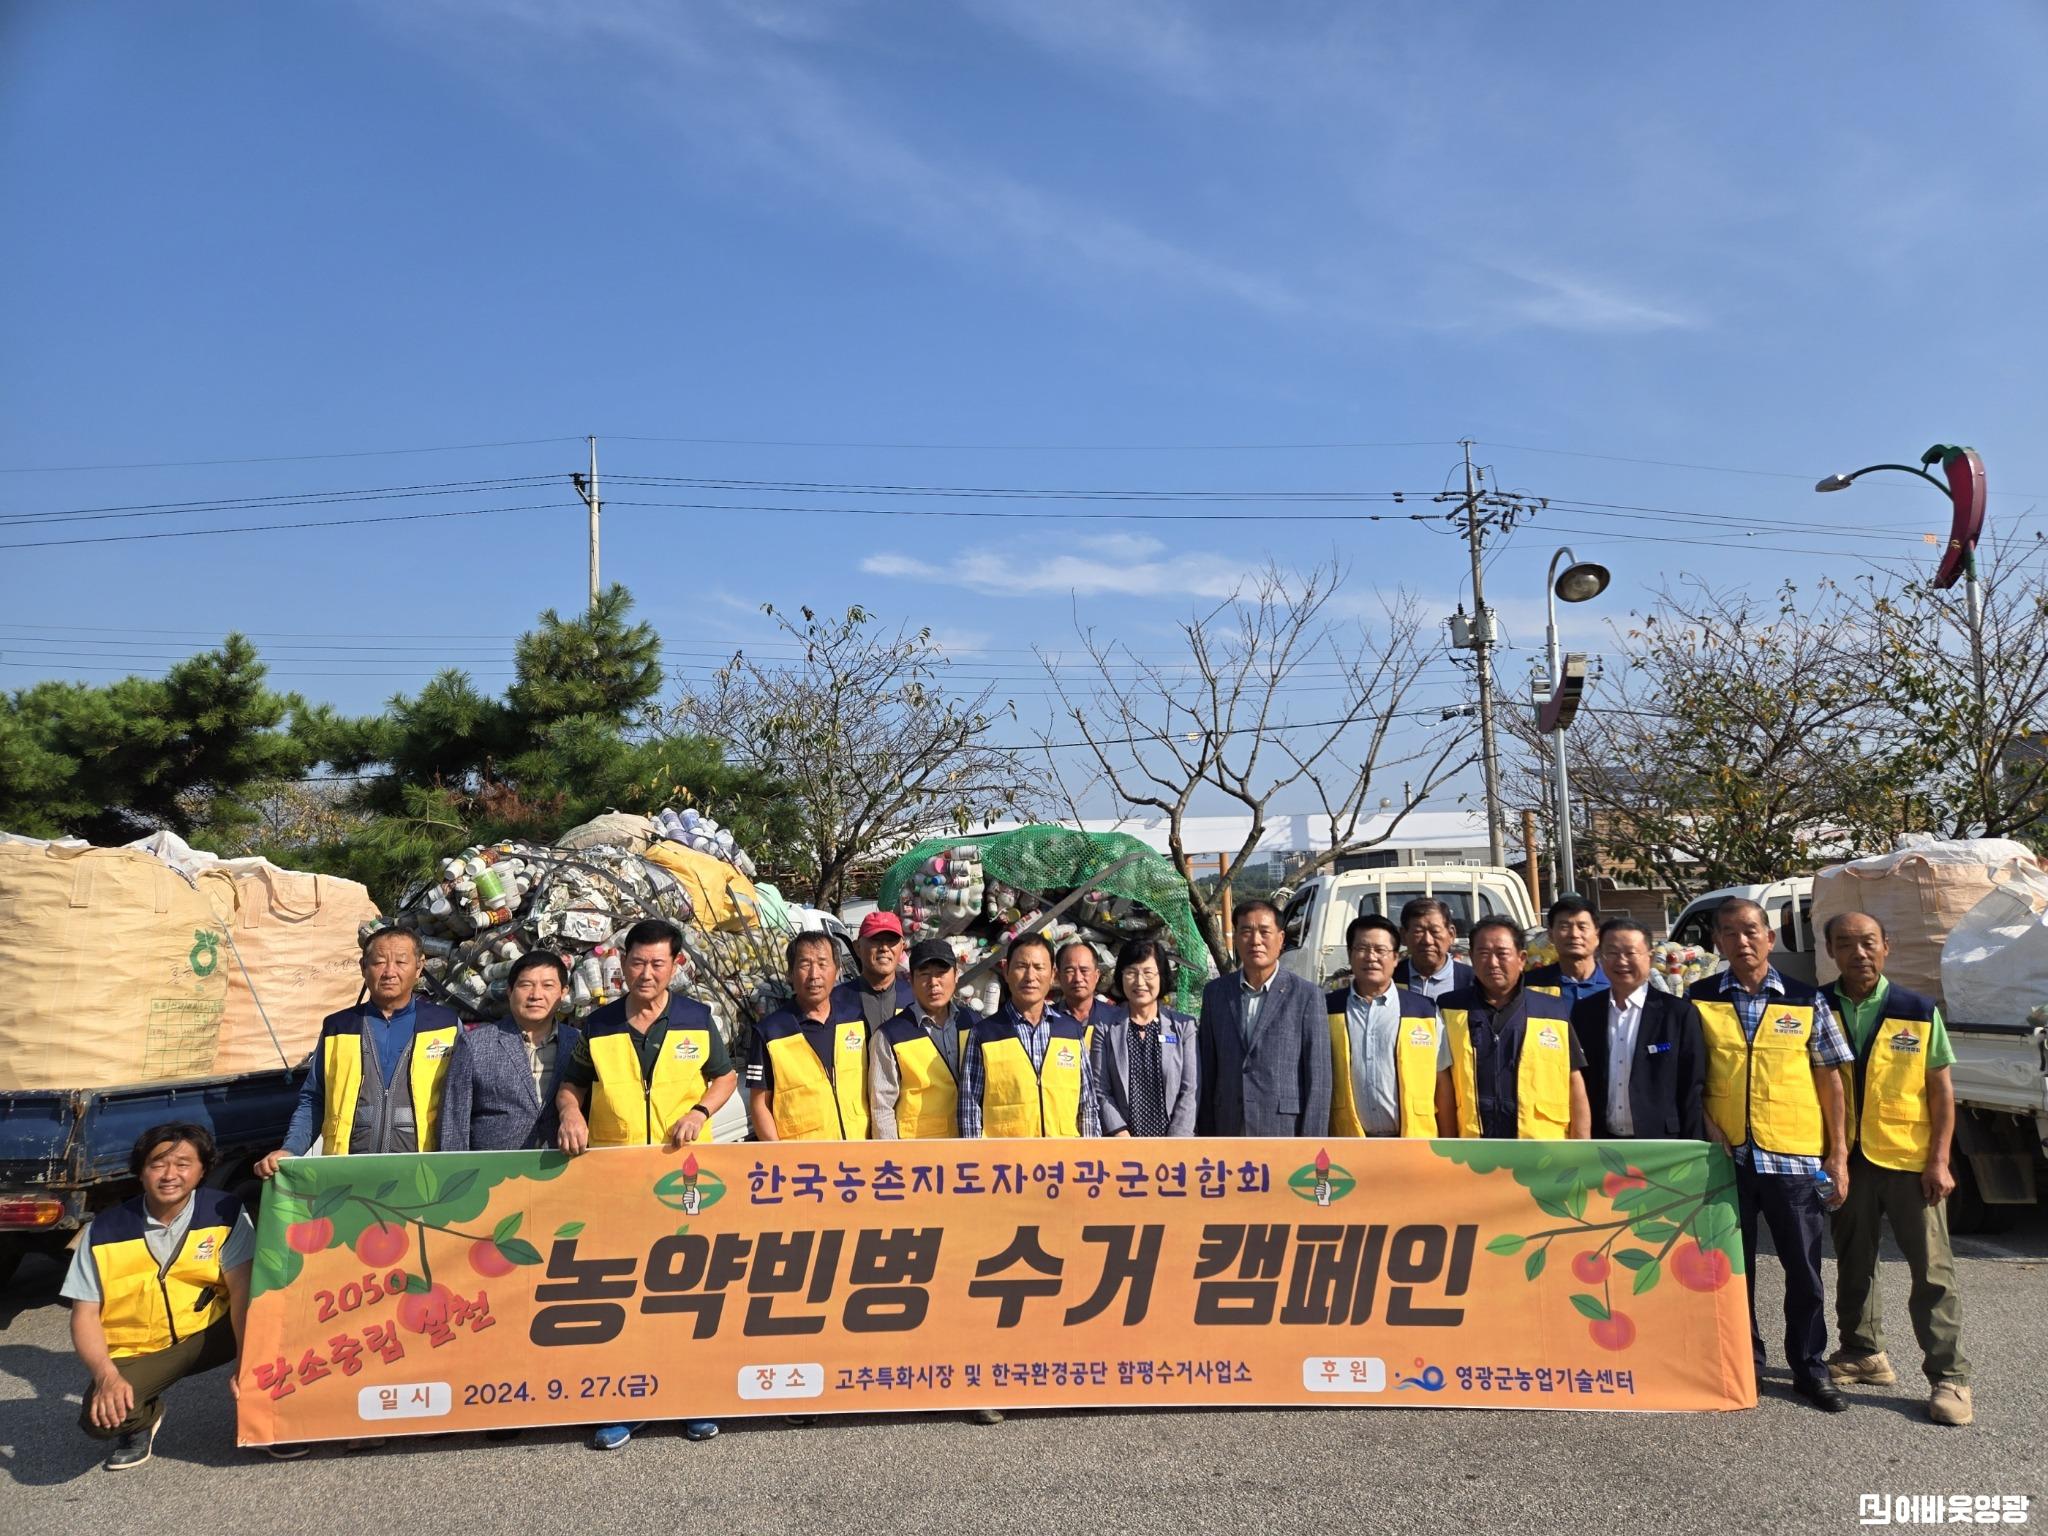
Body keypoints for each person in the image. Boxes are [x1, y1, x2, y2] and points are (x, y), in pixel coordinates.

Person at [556, 921, 732, 1450]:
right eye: (637, 962)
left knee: (688, 1285)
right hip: (618, 1177)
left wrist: (700, 1112)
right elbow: (572, 1085)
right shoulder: (598, 1024)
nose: (646, 973)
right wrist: (571, 1113)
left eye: (657, 963)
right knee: (625, 1289)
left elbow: (724, 1077)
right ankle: (626, 1401)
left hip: (686, 1177)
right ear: (622, 963)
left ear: (676, 965)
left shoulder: (697, 1018)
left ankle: (693, 1395)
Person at [1690, 896, 1853, 1413]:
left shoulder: (1806, 1000)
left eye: (1750, 931)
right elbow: (1690, 1077)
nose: (1741, 941)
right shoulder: (1699, 999)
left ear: (1769, 938)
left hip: (1793, 1159)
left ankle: (1809, 1368)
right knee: (1733, 1272)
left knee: (1804, 1271)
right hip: (1726, 1161)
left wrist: (1838, 1156)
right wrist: (1707, 1124)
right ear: (1717, 942)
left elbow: (1831, 1081)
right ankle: (1746, 1364)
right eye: (1729, 932)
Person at [1821, 912, 1972, 1426]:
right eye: (1845, 944)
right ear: (1831, 951)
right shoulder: (1816, 1006)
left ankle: (1949, 1377)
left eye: (1868, 942)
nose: (1858, 953)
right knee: (1853, 1259)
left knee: (1932, 1272)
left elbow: (1941, 1091)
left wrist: (1939, 1160)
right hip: (1847, 1160)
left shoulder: (1917, 1009)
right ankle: (1862, 1352)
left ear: (1887, 945)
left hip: (1910, 1161)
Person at [62, 1124, 274, 1470]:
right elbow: (84, 1314)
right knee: (101, 1420)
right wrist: (106, 1376)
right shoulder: (103, 1230)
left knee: (278, 1325)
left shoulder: (224, 1211)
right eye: (157, 1164)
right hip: (141, 1348)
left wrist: (249, 1365)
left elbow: (243, 1293)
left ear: (203, 1170)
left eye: (183, 1164)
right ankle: (143, 1421)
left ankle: (273, 1425)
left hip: (212, 1332)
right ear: (140, 1172)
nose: (170, 1175)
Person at [258, 928, 461, 1176]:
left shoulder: (446, 1025)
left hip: (423, 1174)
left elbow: (464, 1101)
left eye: (400, 962)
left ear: (419, 967)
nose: (389, 972)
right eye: (378, 962)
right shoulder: (338, 1027)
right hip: (347, 1174)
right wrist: (290, 1149)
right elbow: (314, 1098)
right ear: (363, 967)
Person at [1438, 916, 1591, 1140]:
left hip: (1541, 1149)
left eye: (1502, 953)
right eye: (1483, 953)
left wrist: (1582, 1148)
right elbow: (1441, 1084)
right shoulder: (1449, 1008)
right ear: (1471, 957)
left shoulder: (1551, 1009)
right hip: (1472, 1147)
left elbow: (1574, 1082)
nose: (1492, 962)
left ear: (1521, 959)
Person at [1195, 900, 1332, 1137]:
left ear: (1281, 939)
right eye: (1246, 931)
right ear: (1236, 939)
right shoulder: (1216, 993)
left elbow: (1318, 1077)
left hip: (1284, 1130)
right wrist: (1207, 1136)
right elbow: (1208, 1068)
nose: (1255, 940)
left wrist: (1312, 1142)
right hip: (1228, 1127)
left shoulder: (1306, 995)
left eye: (1264, 932)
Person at [1569, 917, 1707, 1140]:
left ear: (1650, 958)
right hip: (1600, 1141)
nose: (1621, 961)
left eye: (1630, 953)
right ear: (1600, 958)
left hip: (1660, 1143)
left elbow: (1692, 1088)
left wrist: (1694, 1146)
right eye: (1612, 953)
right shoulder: (1584, 1012)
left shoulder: (1678, 1014)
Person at [1326, 915, 1458, 1138]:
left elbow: (1442, 1082)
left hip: (1413, 1142)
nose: (1371, 957)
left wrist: (1448, 1144)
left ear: (1396, 958)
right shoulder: (1328, 1009)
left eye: (1380, 950)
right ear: (1349, 955)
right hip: (1348, 1142)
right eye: (1362, 949)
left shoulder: (1423, 1011)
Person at [439, 951, 584, 1151]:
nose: (536, 995)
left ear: (563, 992)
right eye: (526, 985)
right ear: (509, 991)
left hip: (565, 1162)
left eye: (548, 986)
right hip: (496, 1166)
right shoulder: (475, 1044)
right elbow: (454, 1119)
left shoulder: (579, 1043)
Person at [960, 932, 1100, 1138]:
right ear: (1006, 972)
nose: (1030, 976)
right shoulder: (985, 1033)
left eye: (1039, 967)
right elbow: (969, 1107)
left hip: (1063, 1155)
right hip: (1006, 1156)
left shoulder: (1070, 1031)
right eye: (1021, 966)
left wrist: (1091, 1152)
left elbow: (1087, 1105)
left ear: (1052, 975)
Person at [750, 931, 871, 1141]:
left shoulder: (855, 1019)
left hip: (859, 1150)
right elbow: (759, 1104)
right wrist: (778, 1155)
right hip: (803, 1157)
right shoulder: (770, 1031)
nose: (814, 975)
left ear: (837, 971)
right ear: (790, 973)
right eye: (805, 964)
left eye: (823, 964)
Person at [869, 938, 983, 1140]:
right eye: (924, 974)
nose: (934, 983)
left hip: (971, 1146)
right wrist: (893, 1155)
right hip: (920, 1150)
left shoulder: (973, 1023)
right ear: (911, 981)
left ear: (956, 975)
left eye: (941, 973)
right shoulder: (891, 1035)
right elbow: (882, 1108)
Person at [1095, 938, 1199, 1138]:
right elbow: (1100, 1089)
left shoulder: (1184, 1027)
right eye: (1131, 973)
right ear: (1120, 976)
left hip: (1176, 1145)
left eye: (1148, 973)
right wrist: (1121, 1135)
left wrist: (1175, 1141)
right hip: (1123, 1145)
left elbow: (1190, 1090)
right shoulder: (1105, 1029)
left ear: (1162, 976)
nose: (1139, 982)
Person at [835, 912, 912, 1033]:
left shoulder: (915, 999)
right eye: (875, 940)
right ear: (857, 947)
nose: (884, 948)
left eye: (891, 941)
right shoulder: (835, 1000)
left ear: (902, 948)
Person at [1526, 895, 1610, 1007]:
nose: (1574, 934)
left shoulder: (1616, 984)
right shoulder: (1530, 985)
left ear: (1598, 935)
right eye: (1564, 927)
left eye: (1582, 927)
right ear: (1550, 935)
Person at [1391, 898, 1474, 1001]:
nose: (1427, 940)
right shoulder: (1390, 978)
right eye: (1418, 931)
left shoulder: (1472, 980)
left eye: (1435, 931)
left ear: (1451, 934)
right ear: (1403, 936)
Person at [1056, 940, 1126, 1033]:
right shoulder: (1046, 1019)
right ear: (1058, 977)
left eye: (1084, 970)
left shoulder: (1116, 1019)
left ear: (1096, 976)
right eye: (1070, 971)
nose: (1078, 978)